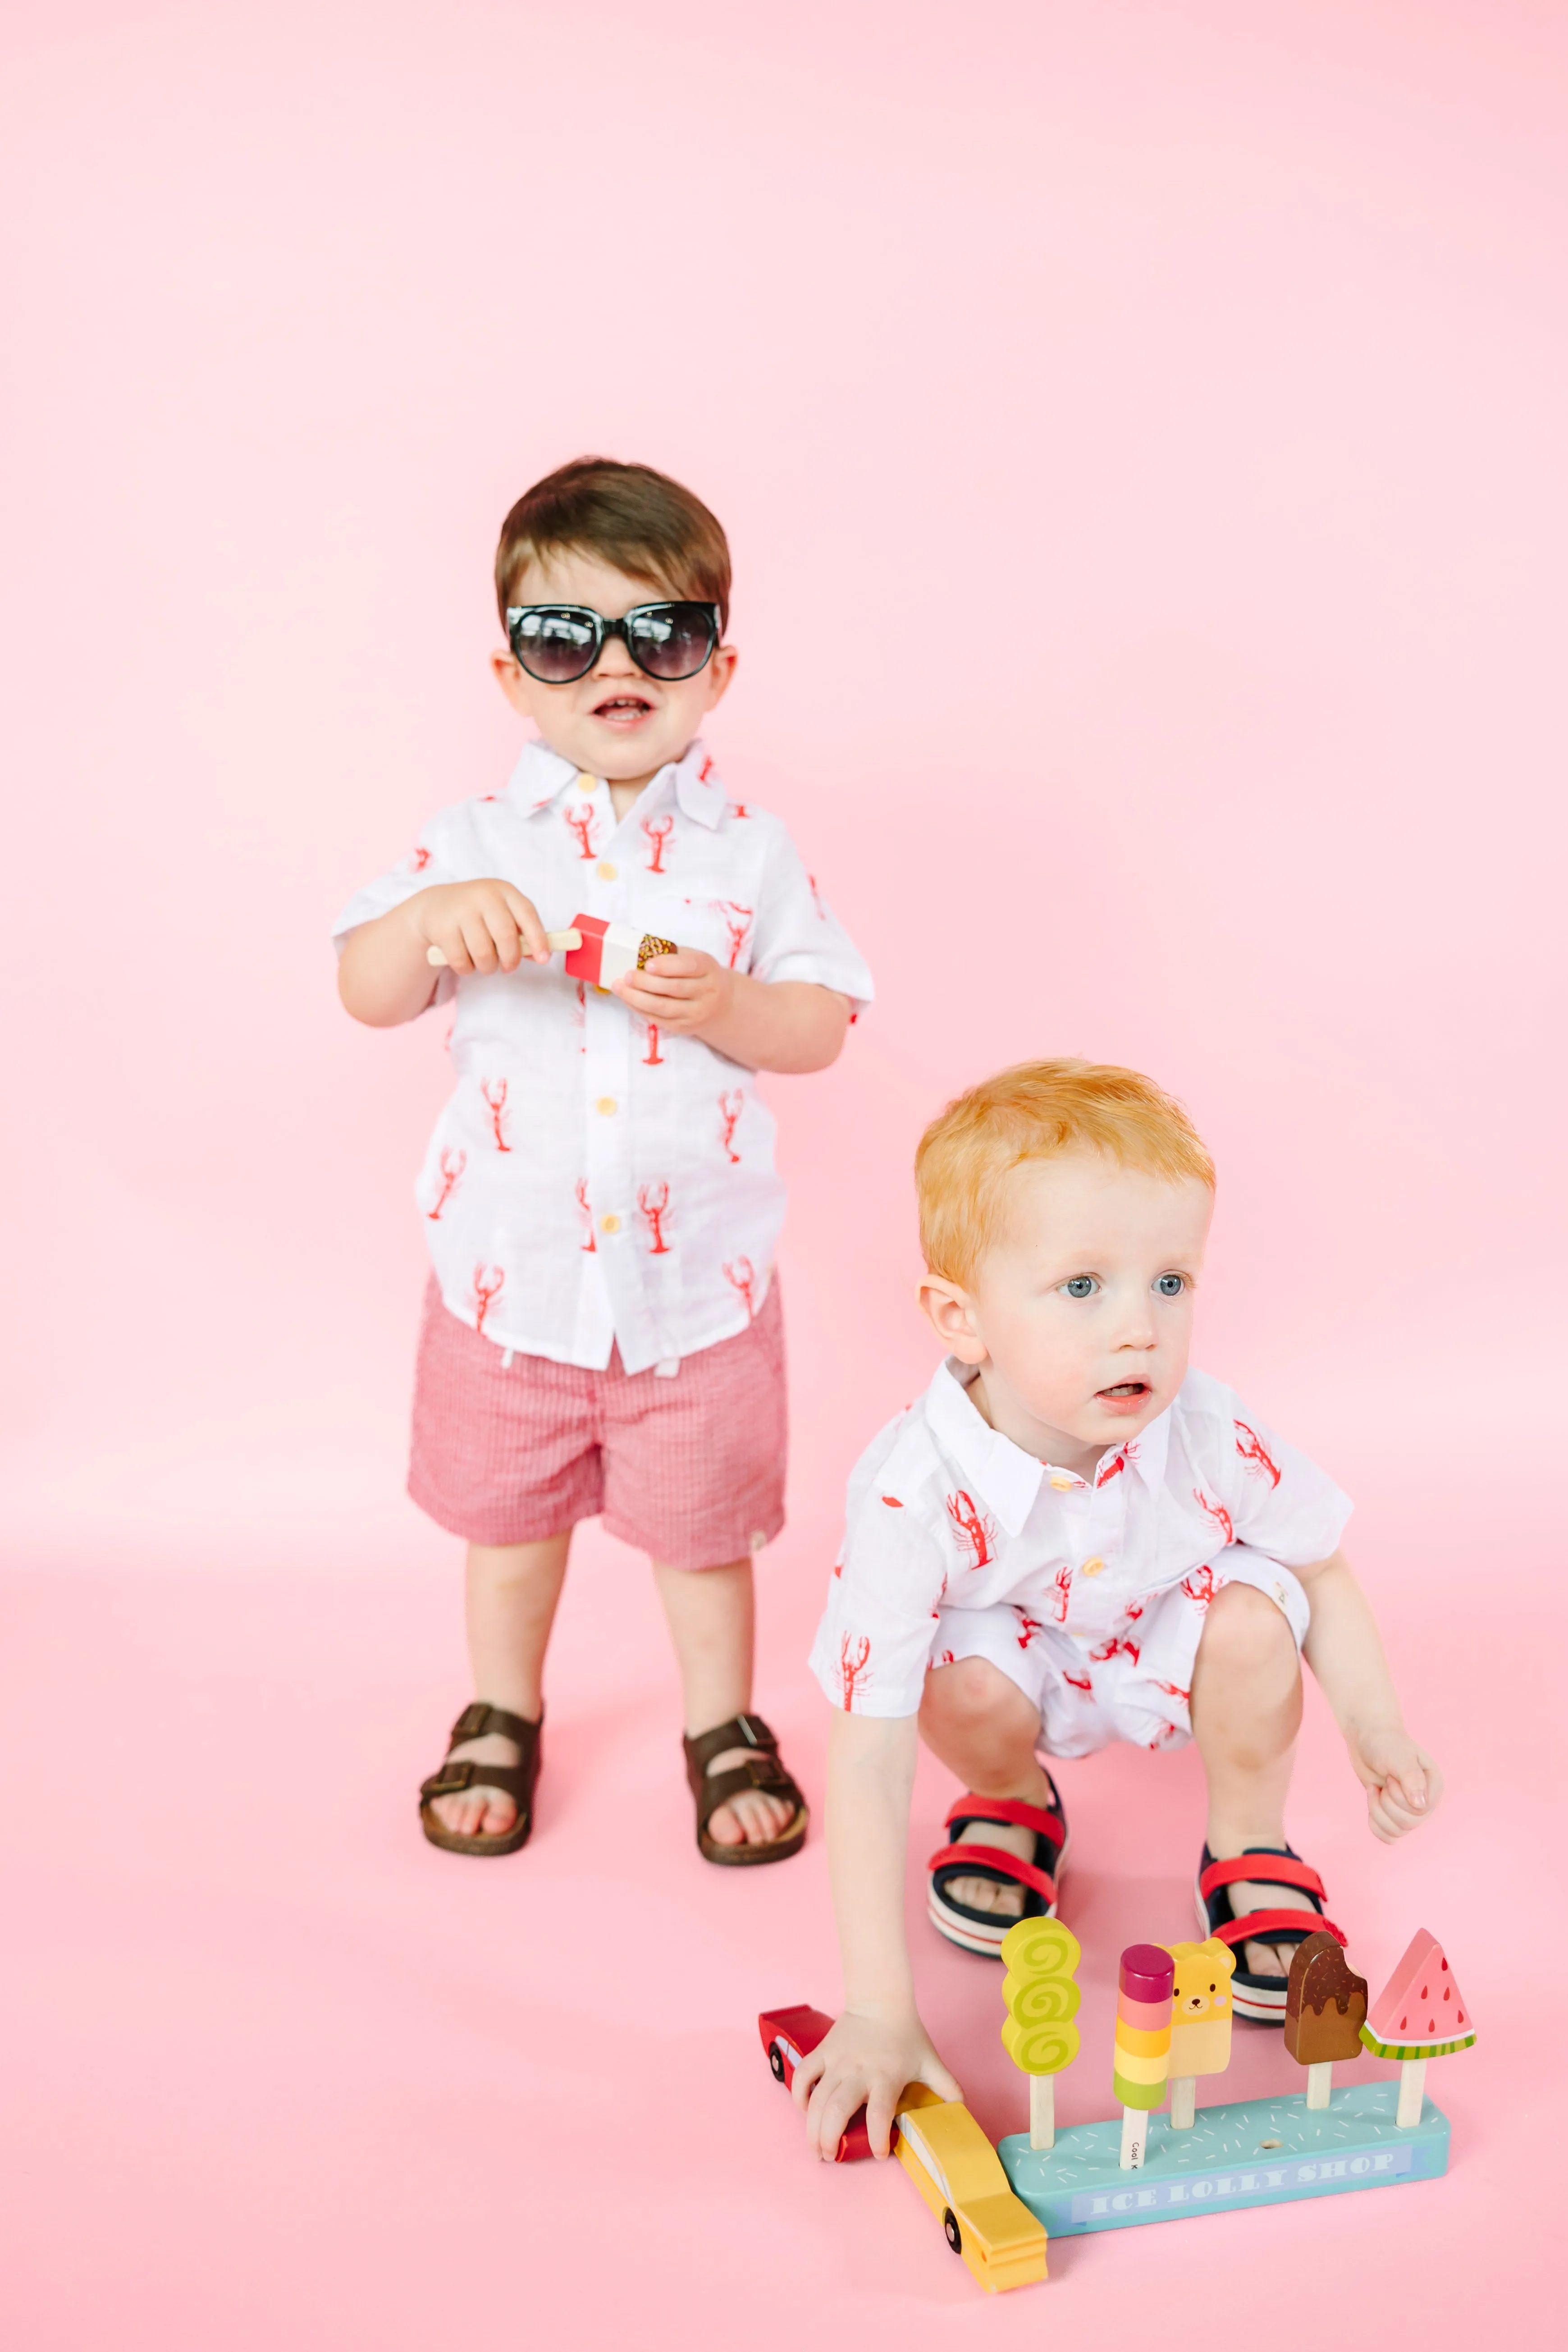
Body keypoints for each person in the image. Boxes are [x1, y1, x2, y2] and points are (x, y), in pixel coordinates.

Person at [335, 457, 872, 1865]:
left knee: (704, 1542)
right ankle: (500, 1710)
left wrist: (734, 1007)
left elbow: (821, 1019)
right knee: (508, 1533)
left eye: (663, 632)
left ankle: (721, 1723)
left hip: (696, 1292)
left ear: (717, 666)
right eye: (567, 636)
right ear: (514, 674)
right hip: (505, 1294)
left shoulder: (747, 856)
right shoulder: (470, 843)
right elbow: (367, 987)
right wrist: (427, 921)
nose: (616, 664)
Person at [795, 1058, 1441, 2156]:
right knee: (939, 1661)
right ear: (962, 1317)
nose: (1139, 1327)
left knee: (1258, 1600)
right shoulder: (912, 1489)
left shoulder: (1203, 1427)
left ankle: (1247, 1846)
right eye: (1082, 1286)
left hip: (1162, 1650)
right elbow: (865, 1746)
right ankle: (1010, 1800)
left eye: (1170, 1282)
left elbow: (1321, 1567)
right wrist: (876, 2008)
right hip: (1017, 1672)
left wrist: (1373, 1728)